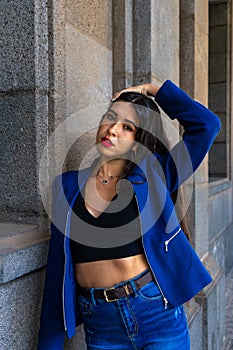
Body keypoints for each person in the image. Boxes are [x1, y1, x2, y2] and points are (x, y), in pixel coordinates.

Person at [38, 80, 221, 350]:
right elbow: (58, 272)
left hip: (155, 312)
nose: (112, 130)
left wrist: (153, 89)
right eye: (110, 118)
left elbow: (206, 125)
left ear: (137, 142)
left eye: (127, 127)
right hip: (100, 323)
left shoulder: (155, 174)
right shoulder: (66, 187)